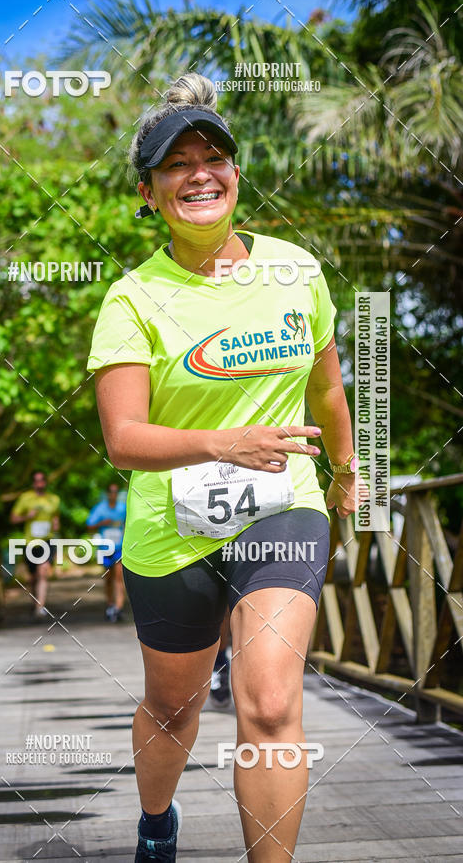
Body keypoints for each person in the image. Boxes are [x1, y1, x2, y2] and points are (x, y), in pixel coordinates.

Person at [86, 72, 366, 863]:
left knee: (271, 701)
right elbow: (125, 439)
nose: (198, 173)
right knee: (174, 707)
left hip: (284, 507)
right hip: (171, 529)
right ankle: (156, 820)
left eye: (214, 157)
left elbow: (328, 388)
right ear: (148, 192)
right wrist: (223, 441)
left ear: (238, 175)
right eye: (176, 164)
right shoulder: (132, 299)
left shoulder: (295, 271)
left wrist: (346, 471)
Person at [10, 470, 60, 617]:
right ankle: (35, 602)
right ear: (33, 483)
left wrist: (56, 524)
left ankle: (40, 606)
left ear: (45, 482)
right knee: (33, 577)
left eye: (42, 480)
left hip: (48, 540)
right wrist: (27, 516)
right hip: (30, 542)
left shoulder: (54, 499)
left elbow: (56, 517)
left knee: (43, 571)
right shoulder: (26, 498)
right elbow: (13, 518)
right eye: (36, 480)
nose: (39, 483)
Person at [86, 483, 127, 622]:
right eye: (111, 491)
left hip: (119, 548)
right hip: (105, 548)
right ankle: (110, 605)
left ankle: (119, 607)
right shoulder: (100, 509)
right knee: (108, 578)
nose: (113, 494)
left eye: (116, 491)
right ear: (107, 493)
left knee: (119, 576)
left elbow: (130, 523)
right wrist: (102, 523)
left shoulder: (123, 508)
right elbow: (89, 525)